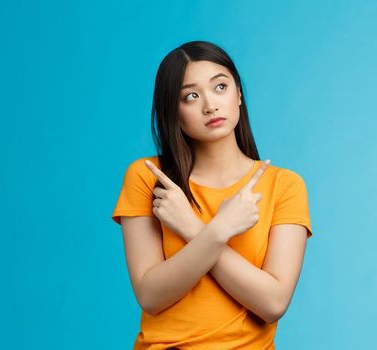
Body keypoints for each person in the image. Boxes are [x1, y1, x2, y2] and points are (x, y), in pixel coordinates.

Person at [111, 40, 313, 349]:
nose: (210, 105)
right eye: (190, 96)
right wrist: (219, 230)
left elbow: (273, 303)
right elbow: (150, 296)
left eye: (220, 87)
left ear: (239, 94)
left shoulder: (284, 185)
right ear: (173, 111)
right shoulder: (150, 177)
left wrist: (194, 229)